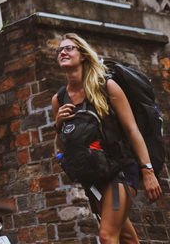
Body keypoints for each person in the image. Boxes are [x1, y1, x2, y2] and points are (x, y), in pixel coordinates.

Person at [52, 33, 162, 244]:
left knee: (106, 235)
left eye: (69, 48)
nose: (62, 52)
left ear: (83, 55)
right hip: (93, 176)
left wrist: (148, 171)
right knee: (126, 237)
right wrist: (58, 124)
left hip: (121, 170)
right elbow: (63, 146)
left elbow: (132, 130)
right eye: (59, 50)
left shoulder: (106, 87)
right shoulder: (59, 99)